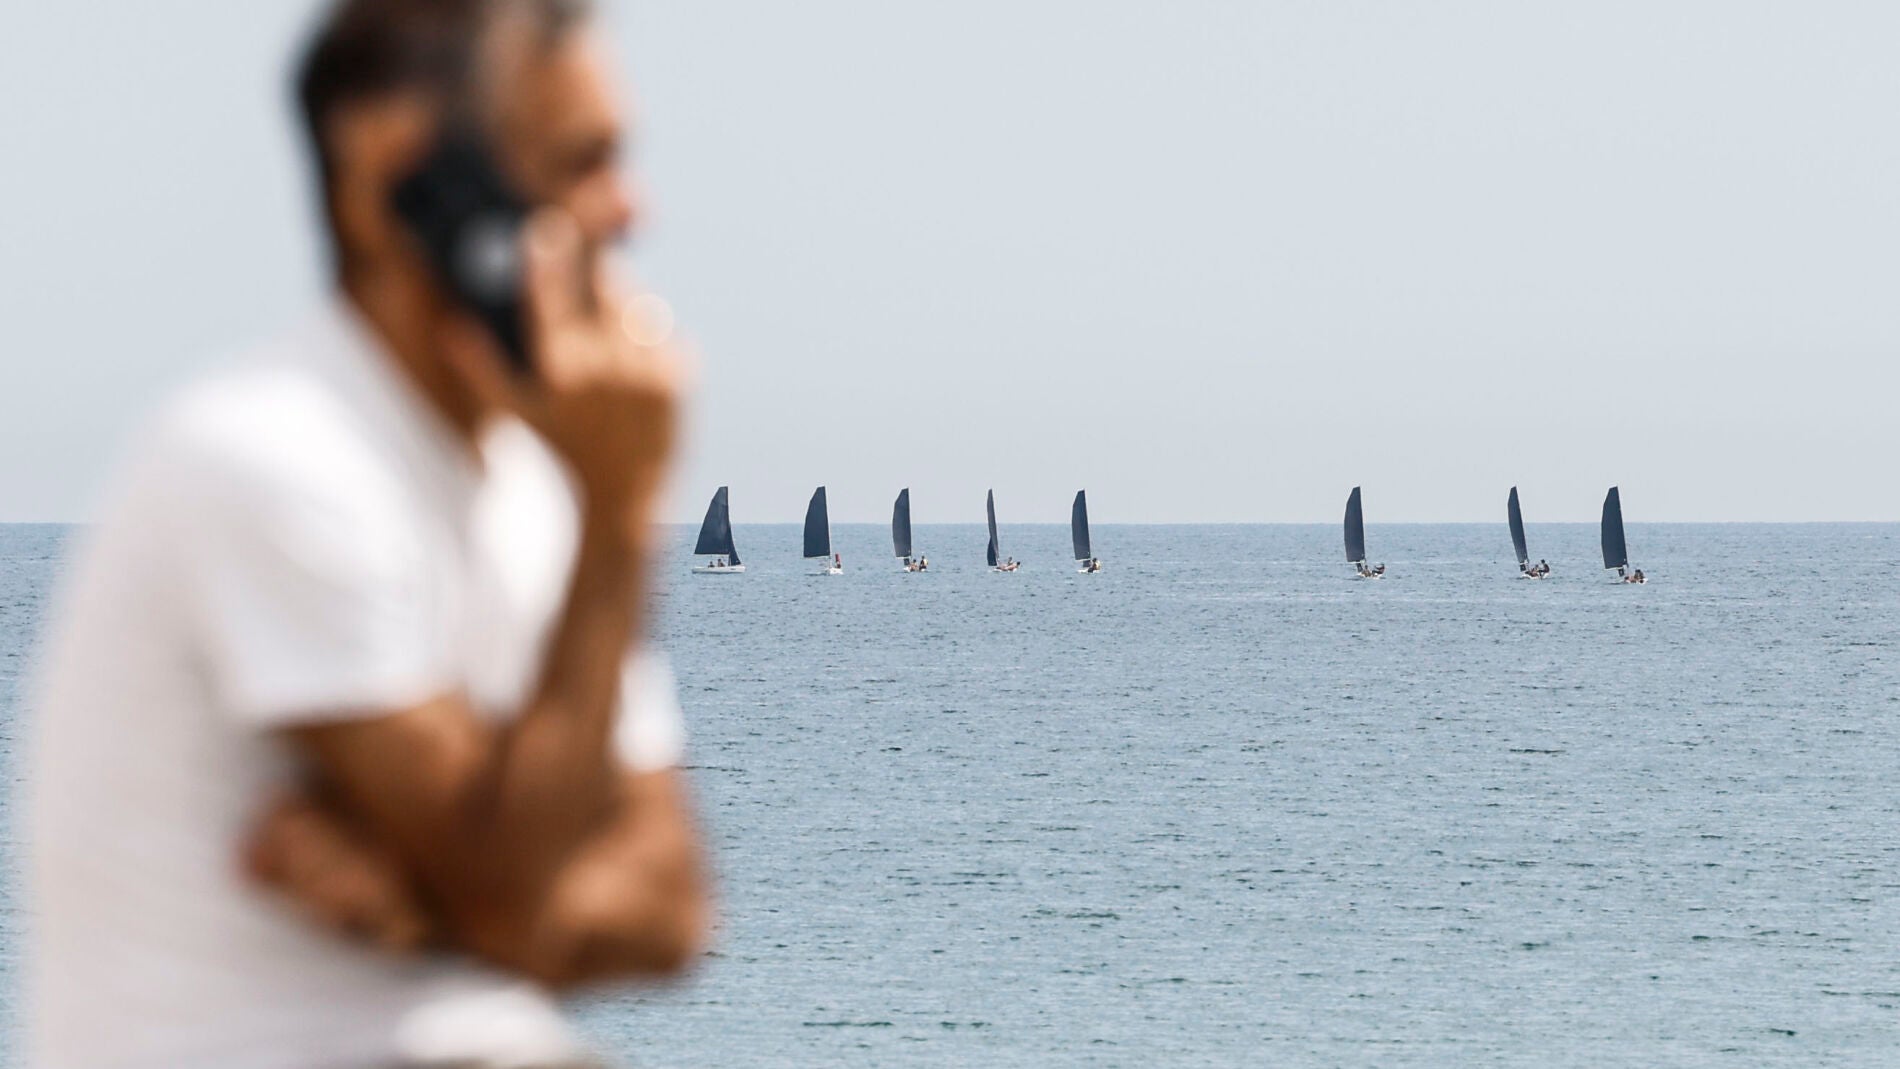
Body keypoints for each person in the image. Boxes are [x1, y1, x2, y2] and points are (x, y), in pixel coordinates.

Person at [25, 3, 709, 1067]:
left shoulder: (542, 493)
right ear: (400, 176)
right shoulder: (272, 458)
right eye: (579, 162)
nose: (630, 210)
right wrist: (619, 523)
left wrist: (428, 905)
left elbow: (671, 906)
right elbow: (514, 888)